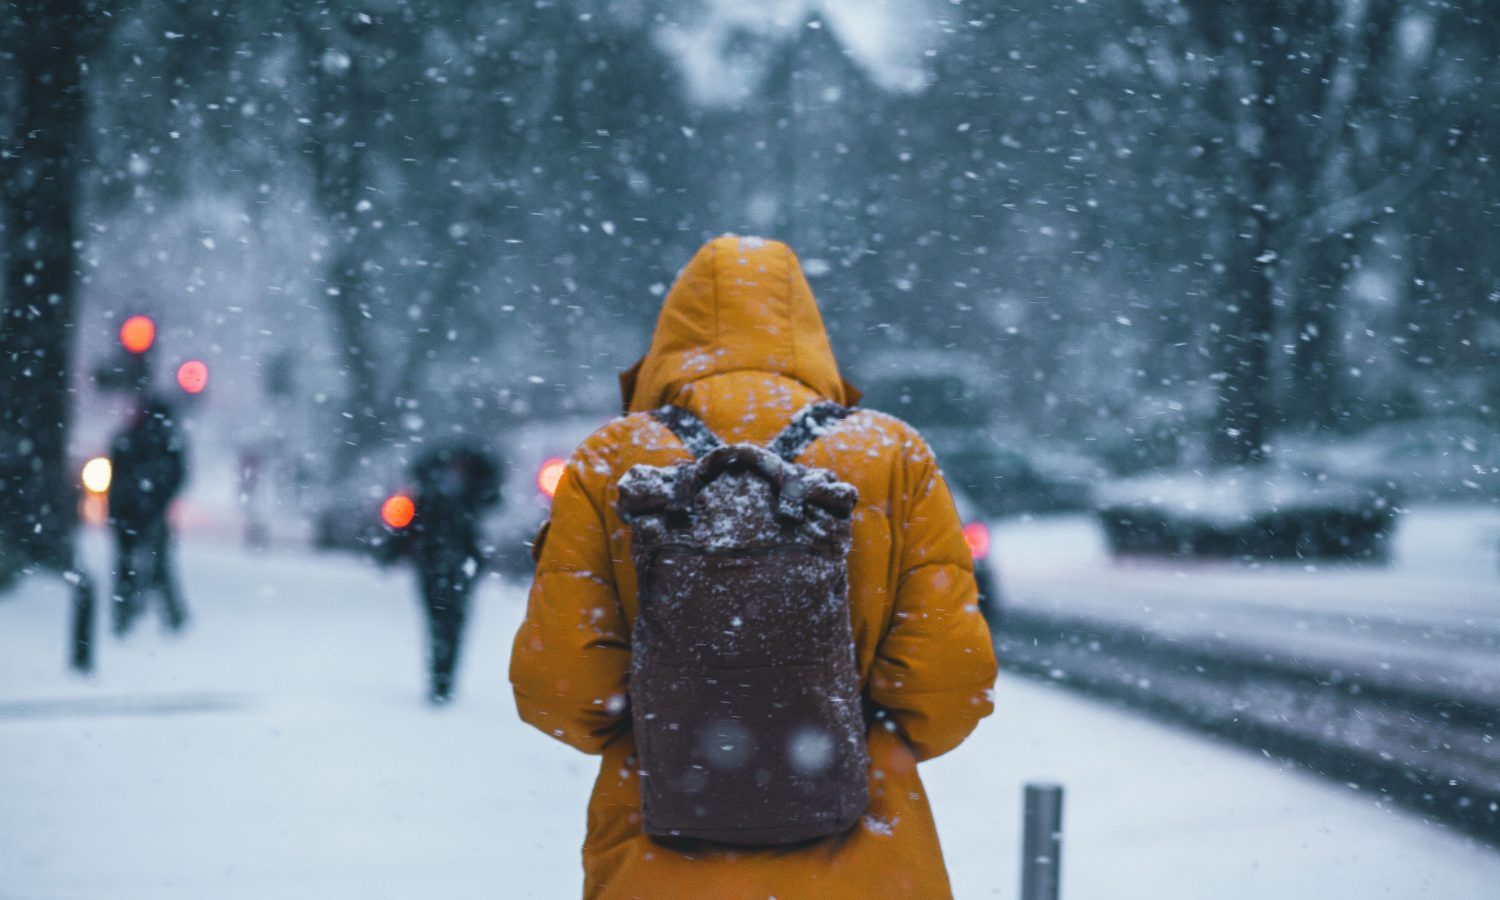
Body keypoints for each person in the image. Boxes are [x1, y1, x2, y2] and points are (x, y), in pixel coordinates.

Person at [510, 235, 998, 898]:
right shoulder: (890, 454)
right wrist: (831, 734)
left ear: (671, 336)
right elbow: (948, 687)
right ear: (807, 332)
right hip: (867, 860)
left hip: (656, 857)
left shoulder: (612, 460)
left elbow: (560, 690)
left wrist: (677, 725)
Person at [383, 444, 500, 704]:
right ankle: (441, 678)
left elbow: (407, 526)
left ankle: (443, 678)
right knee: (443, 623)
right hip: (443, 565)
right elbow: (407, 526)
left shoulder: (460, 493)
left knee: (448, 623)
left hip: (447, 565)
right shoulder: (451, 495)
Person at [108, 395, 189, 635]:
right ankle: (165, 616)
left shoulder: (131, 439)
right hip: (140, 512)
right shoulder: (161, 442)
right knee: (155, 565)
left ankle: (127, 615)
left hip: (133, 512)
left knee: (134, 566)